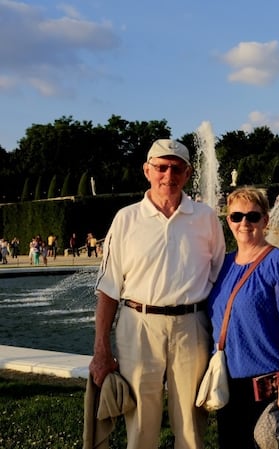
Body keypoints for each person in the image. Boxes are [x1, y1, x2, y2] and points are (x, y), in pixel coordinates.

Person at [90, 139, 226, 449]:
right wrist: (101, 349)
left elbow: (219, 280)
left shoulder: (205, 218)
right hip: (138, 326)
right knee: (140, 425)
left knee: (192, 425)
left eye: (176, 168)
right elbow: (109, 288)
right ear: (147, 171)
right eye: (161, 168)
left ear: (188, 173)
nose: (168, 175)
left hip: (191, 326)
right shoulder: (126, 219)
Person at [207, 186, 279, 449]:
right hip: (229, 388)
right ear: (228, 221)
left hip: (269, 388)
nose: (244, 223)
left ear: (265, 220)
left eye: (252, 216)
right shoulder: (223, 265)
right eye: (236, 216)